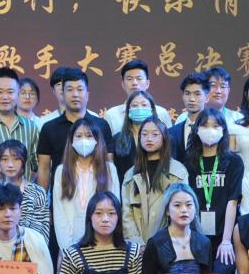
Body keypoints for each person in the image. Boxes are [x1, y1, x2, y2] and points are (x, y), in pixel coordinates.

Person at [184, 108, 243, 274]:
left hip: (223, 236)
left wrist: (226, 241)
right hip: (196, 236)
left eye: (216, 126)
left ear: (224, 130)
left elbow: (232, 202)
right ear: (196, 129)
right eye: (205, 125)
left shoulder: (233, 161)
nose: (210, 130)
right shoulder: (189, 161)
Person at [37, 68, 114, 191]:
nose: (75, 94)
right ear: (63, 94)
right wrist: (41, 200)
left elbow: (109, 165)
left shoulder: (101, 125)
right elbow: (44, 168)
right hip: (62, 196)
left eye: (79, 89)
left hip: (97, 196)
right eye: (70, 90)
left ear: (87, 95)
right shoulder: (49, 128)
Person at [52, 119, 120, 250]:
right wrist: (67, 249)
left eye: (89, 136)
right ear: (71, 141)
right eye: (78, 136)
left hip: (103, 242)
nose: (84, 140)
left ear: (97, 140)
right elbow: (59, 212)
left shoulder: (109, 169)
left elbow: (114, 209)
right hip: (70, 242)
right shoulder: (62, 171)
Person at [121, 116, 188, 244]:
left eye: (155, 134)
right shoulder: (130, 174)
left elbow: (182, 211)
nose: (149, 138)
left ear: (164, 138)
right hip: (137, 246)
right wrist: (137, 243)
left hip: (169, 243)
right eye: (144, 134)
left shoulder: (178, 172)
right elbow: (126, 213)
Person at [0, 140, 49, 243]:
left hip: (30, 248)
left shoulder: (37, 192)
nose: (10, 164)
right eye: (5, 159)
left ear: (23, 163)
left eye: (16, 159)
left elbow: (41, 233)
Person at [104, 60, 174, 135]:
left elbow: (168, 140)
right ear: (123, 84)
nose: (134, 83)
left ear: (147, 83)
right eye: (129, 79)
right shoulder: (111, 115)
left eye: (139, 78)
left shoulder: (161, 113)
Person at [110, 89, 160, 185]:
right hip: (126, 190)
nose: (139, 109)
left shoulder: (163, 138)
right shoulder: (117, 139)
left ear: (152, 109)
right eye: (135, 105)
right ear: (128, 110)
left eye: (144, 105)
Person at [169, 72, 210, 163]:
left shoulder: (213, 131)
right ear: (182, 96)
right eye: (187, 93)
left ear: (207, 98)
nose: (191, 99)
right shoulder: (171, 132)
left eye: (197, 94)